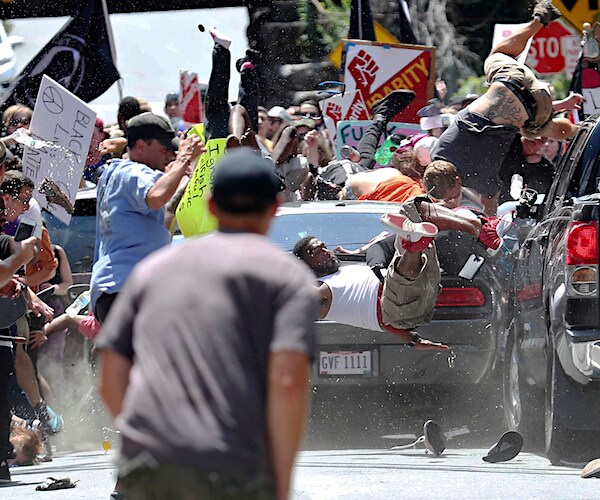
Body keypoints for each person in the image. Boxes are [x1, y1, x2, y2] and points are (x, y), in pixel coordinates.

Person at [97, 148, 318, 500]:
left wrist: (151, 440)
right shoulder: (287, 278)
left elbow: (110, 378)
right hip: (234, 467)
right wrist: (280, 483)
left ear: (212, 206)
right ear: (275, 208)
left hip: (149, 469)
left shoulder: (153, 271)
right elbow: (288, 382)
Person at [293, 195, 509, 348]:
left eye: (323, 246)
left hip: (415, 296)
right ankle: (412, 243)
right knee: (397, 278)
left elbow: (388, 322)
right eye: (315, 251)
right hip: (397, 298)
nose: (324, 250)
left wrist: (413, 340)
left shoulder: (345, 273)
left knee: (414, 207)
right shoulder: (320, 293)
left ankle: (482, 229)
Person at [431, 0, 583, 215]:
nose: (452, 201)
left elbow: (490, 209)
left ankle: (586, 132)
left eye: (451, 196)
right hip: (512, 79)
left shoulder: (479, 178)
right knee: (497, 55)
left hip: (537, 104)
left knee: (534, 128)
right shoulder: (439, 150)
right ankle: (539, 19)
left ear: (457, 181)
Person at [90, 112, 205, 324]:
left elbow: (165, 212)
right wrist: (183, 159)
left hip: (118, 289)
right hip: (128, 289)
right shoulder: (133, 172)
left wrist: (185, 173)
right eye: (163, 149)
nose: (168, 155)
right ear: (141, 146)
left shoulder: (114, 173)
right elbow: (156, 197)